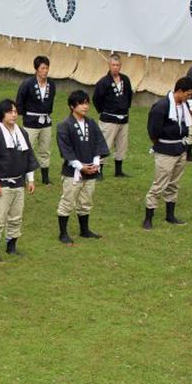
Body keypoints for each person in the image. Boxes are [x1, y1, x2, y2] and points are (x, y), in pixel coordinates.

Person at [0, 100, 37, 262]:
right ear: (2, 114)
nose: (14, 114)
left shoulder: (22, 132)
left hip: (18, 182)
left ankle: (11, 246)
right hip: (1, 184)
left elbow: (28, 156)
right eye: (10, 112)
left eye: (15, 111)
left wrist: (30, 179)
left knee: (16, 217)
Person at [55, 91, 110, 245]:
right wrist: (80, 167)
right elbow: (66, 150)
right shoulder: (64, 126)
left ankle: (84, 230)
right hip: (73, 172)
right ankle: (63, 233)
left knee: (86, 201)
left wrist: (95, 163)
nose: (85, 106)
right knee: (68, 201)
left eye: (86, 103)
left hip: (90, 170)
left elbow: (99, 143)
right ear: (72, 106)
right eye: (81, 103)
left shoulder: (91, 123)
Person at [143, 77, 192, 229]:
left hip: (180, 148)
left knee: (174, 183)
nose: (189, 97)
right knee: (159, 184)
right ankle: (148, 217)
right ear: (179, 91)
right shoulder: (161, 106)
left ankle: (170, 215)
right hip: (165, 150)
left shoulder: (183, 105)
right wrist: (159, 145)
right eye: (188, 94)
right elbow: (153, 131)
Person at [16, 56, 56, 185]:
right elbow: (19, 101)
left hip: (46, 121)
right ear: (36, 69)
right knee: (27, 149)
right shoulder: (27, 84)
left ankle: (45, 177)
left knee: (45, 149)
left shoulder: (51, 84)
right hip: (31, 122)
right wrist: (23, 116)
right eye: (42, 68)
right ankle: (23, 176)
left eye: (47, 68)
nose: (45, 71)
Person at [92, 53, 133, 178]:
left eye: (118, 65)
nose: (115, 67)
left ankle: (118, 170)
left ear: (120, 66)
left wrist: (125, 107)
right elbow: (96, 98)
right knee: (104, 145)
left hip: (123, 118)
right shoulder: (103, 82)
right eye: (113, 65)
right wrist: (103, 111)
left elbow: (129, 95)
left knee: (121, 145)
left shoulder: (125, 80)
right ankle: (98, 170)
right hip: (109, 119)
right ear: (109, 66)